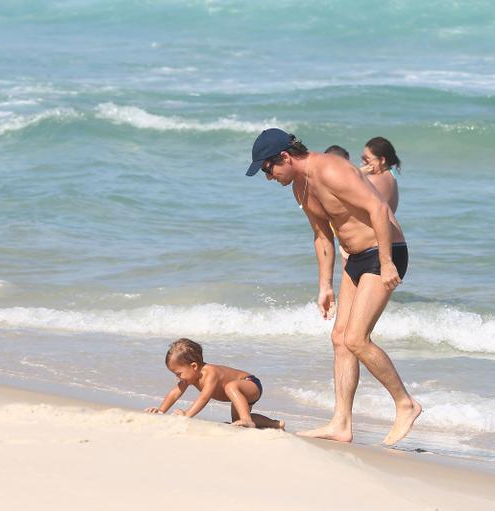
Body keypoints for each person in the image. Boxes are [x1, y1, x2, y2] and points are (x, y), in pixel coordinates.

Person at [245, 128, 421, 446]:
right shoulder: (300, 187)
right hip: (355, 258)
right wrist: (324, 285)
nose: (268, 177)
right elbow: (322, 236)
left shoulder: (331, 169)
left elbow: (378, 208)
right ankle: (341, 423)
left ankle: (405, 404)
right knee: (339, 338)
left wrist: (386, 262)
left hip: (384, 253)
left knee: (356, 338)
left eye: (268, 169)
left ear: (284, 157)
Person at [146, 338, 285, 430]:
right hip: (239, 396)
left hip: (250, 384)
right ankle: (275, 424)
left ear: (194, 366)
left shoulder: (210, 373)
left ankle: (246, 419)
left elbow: (204, 398)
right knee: (236, 421)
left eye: (178, 373)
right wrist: (161, 411)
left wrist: (187, 415)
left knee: (231, 386)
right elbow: (175, 393)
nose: (178, 378)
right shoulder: (189, 377)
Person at [360, 136, 400, 216]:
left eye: (366, 159)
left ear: (382, 160)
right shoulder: (392, 176)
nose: (363, 163)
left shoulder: (372, 180)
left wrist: (358, 173)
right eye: (362, 158)